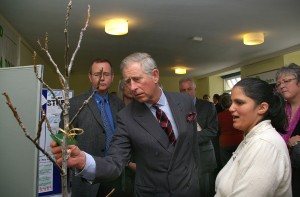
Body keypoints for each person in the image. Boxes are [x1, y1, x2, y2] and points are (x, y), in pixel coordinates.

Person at [51, 52, 200, 196]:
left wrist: (195, 176)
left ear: (155, 75)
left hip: (189, 188)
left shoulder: (185, 102)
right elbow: (115, 160)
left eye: (137, 79)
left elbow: (192, 146)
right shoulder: (126, 116)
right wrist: (84, 161)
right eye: (128, 81)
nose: (132, 87)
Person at [215, 78, 292, 196]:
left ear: (262, 108)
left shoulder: (264, 144)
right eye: (232, 102)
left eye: (239, 102)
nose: (230, 108)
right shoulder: (251, 138)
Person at [61, 58, 125, 197]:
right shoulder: (74, 104)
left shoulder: (119, 105)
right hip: (86, 178)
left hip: (114, 176)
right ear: (90, 77)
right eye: (97, 74)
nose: (102, 78)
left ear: (112, 77)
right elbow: (64, 141)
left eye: (106, 74)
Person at [179, 76, 218, 197]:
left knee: (204, 190)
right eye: (183, 90)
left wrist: (190, 138)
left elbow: (213, 131)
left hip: (203, 157)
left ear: (195, 89)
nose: (186, 92)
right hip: (183, 158)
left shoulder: (208, 106)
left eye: (189, 89)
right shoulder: (176, 108)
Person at [275, 63, 300, 196]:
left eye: (286, 81)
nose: (282, 86)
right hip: (282, 171)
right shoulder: (280, 111)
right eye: (279, 84)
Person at [117, 79, 135, 197]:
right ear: (122, 87)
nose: (131, 87)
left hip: (140, 164)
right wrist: (128, 163)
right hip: (119, 163)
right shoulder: (115, 108)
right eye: (127, 84)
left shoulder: (142, 107)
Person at [217, 93, 243, 167]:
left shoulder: (219, 116)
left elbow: (217, 129)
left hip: (224, 143)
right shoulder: (238, 113)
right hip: (239, 141)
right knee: (239, 165)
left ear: (221, 104)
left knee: (227, 167)